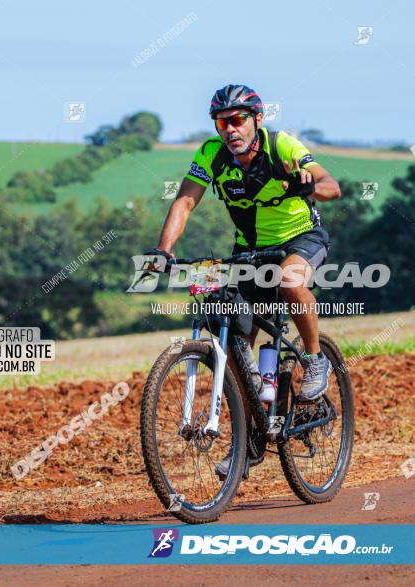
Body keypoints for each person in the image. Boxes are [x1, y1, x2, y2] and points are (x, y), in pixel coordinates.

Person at [146, 84, 341, 477]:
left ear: (257, 119)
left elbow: (331, 187)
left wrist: (307, 185)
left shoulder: (281, 146)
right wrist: (163, 250)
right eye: (222, 123)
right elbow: (185, 201)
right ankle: (250, 439)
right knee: (235, 338)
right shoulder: (212, 155)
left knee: (289, 282)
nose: (230, 130)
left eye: (237, 120)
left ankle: (316, 359)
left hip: (301, 238)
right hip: (248, 250)